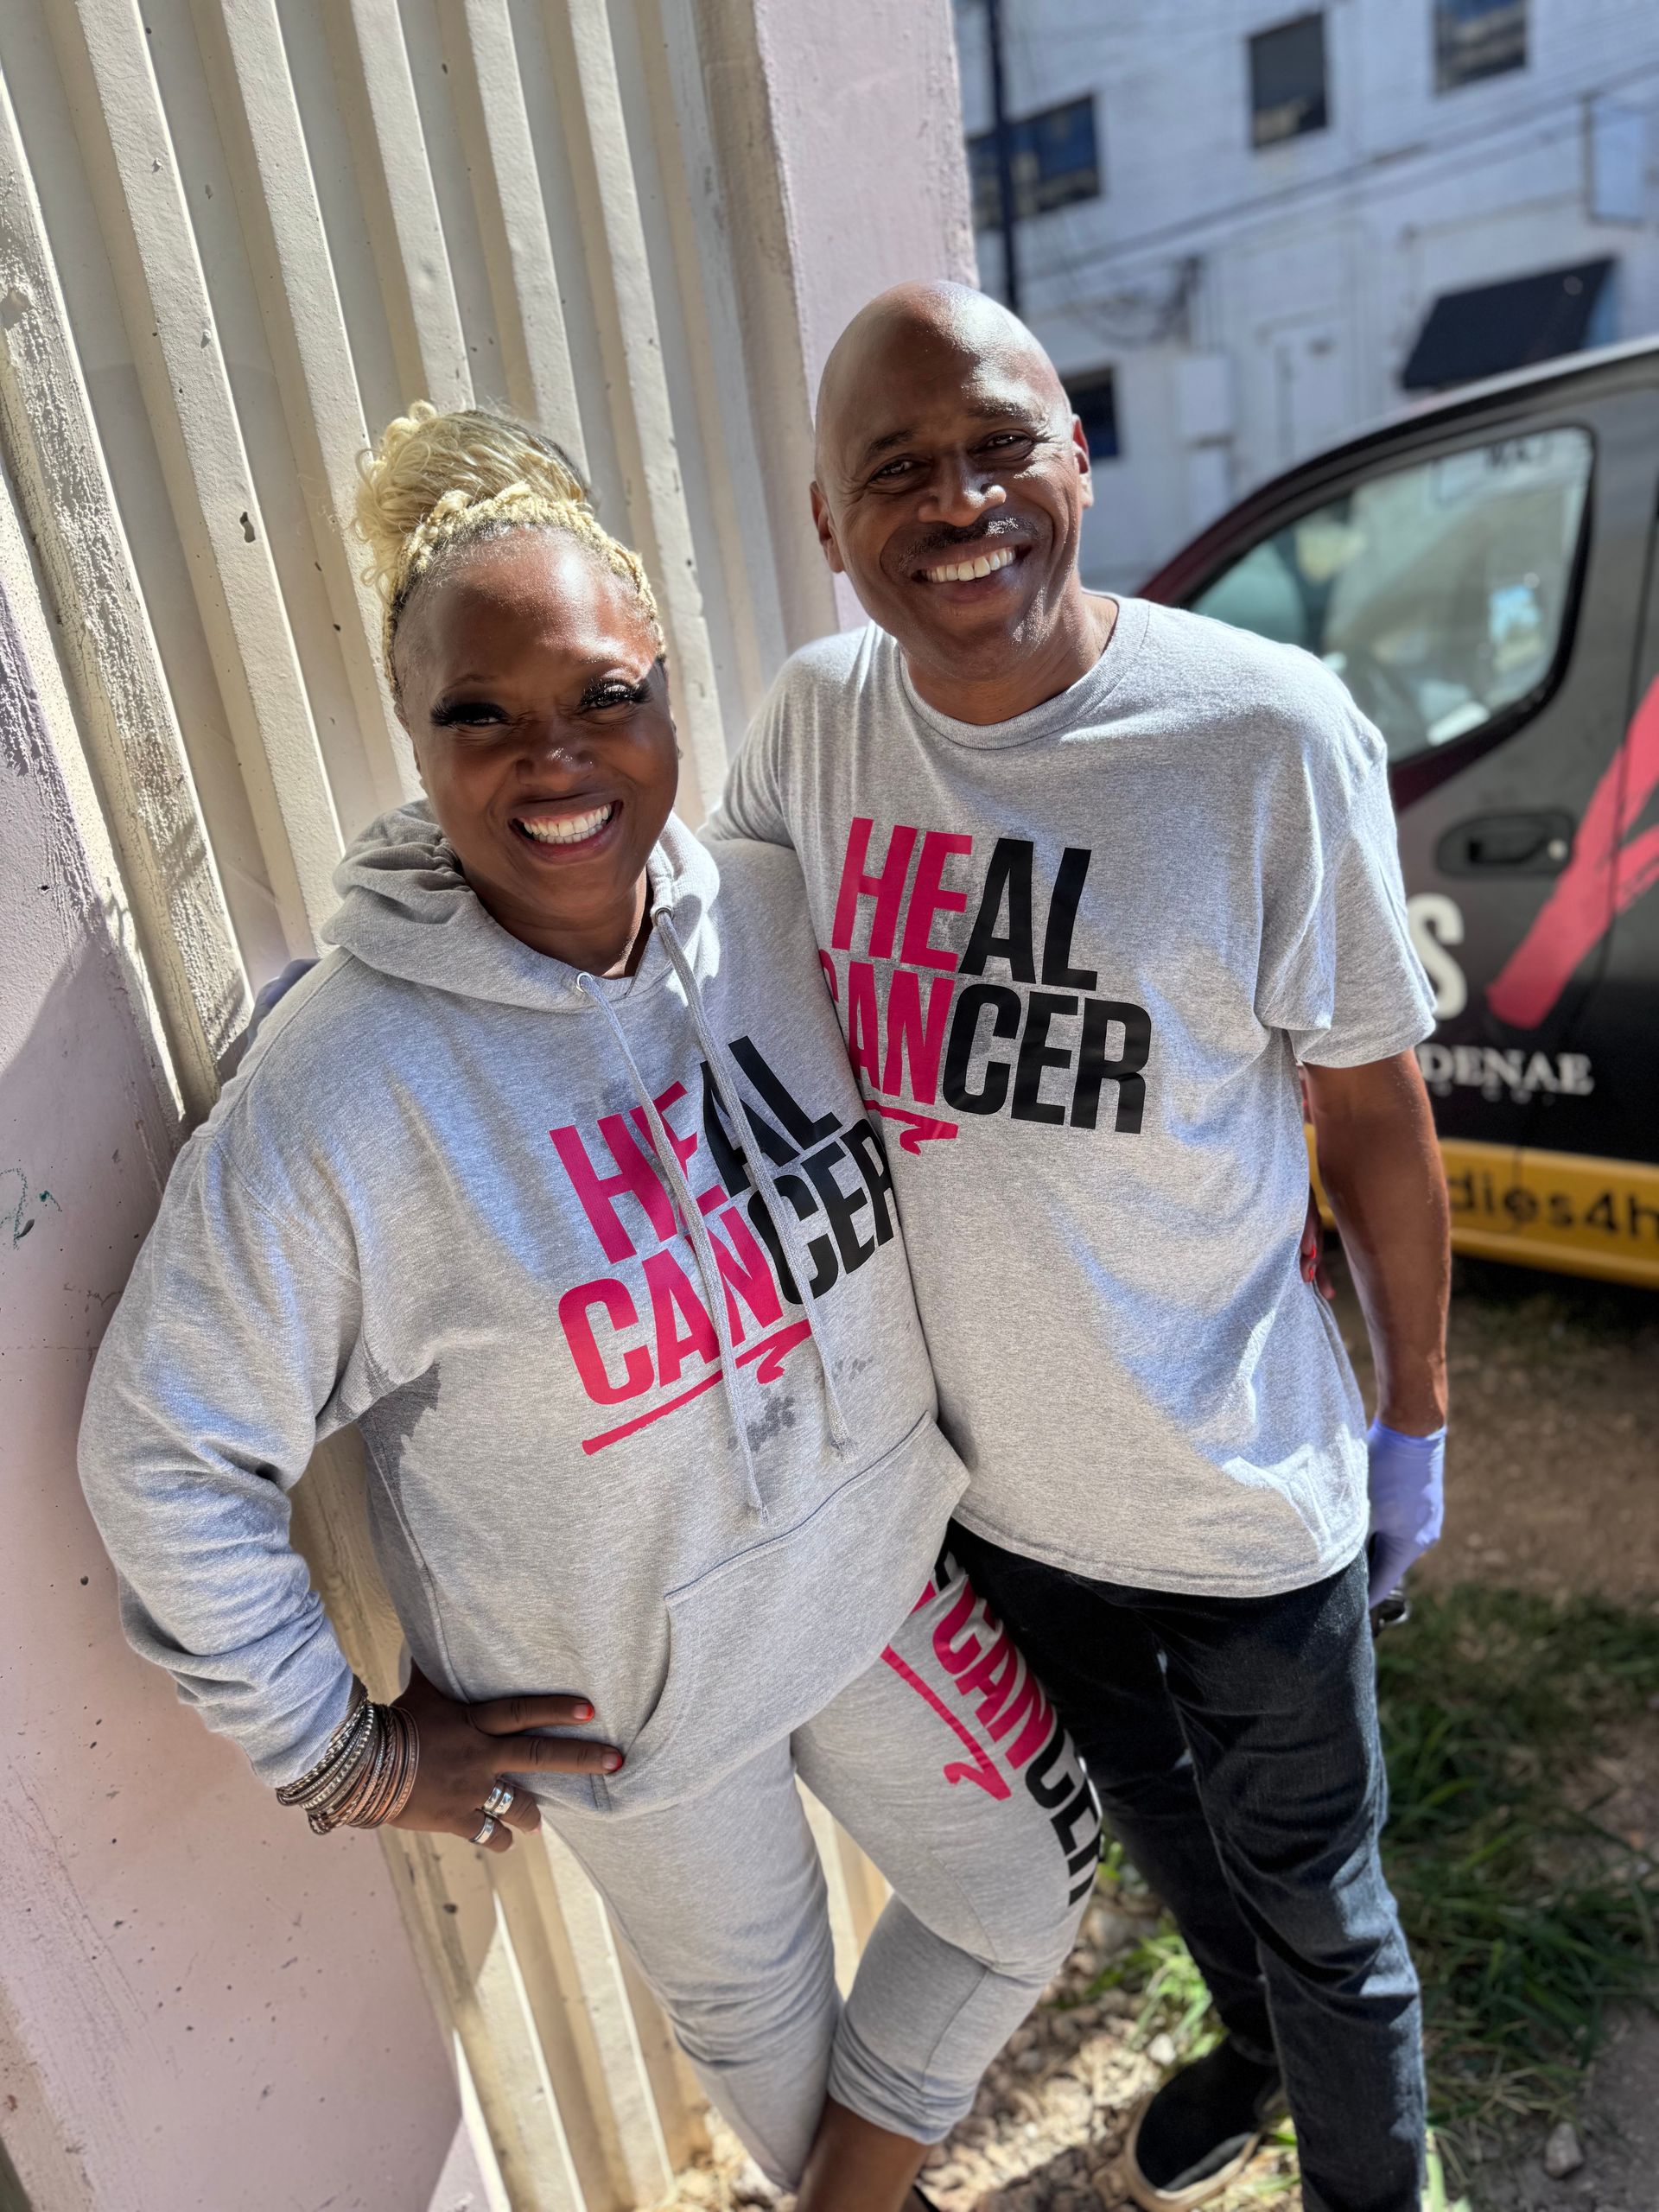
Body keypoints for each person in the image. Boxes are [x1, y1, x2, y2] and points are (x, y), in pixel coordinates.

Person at [77, 403, 1103, 2212]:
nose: (553, 758)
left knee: (1033, 1885)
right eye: (481, 713)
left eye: (602, 694)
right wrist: (349, 1752)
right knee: (790, 2089)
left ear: (668, 690)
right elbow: (163, 1447)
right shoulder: (347, 1088)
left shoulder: (781, 921)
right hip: (631, 1716)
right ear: (416, 736)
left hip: (878, 1584)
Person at [709, 283, 1450, 2212]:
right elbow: (716, 1015)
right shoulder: (811, 728)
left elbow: (1372, 1119)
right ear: (826, 520)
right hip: (998, 1505)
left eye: (999, 446)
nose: (959, 503)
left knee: (1328, 1905)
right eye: (898, 471)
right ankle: (1249, 2047)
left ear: (1077, 459)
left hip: (1237, 1504)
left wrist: (1416, 1424)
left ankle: (1379, 2177)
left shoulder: (1262, 738)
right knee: (1180, 1859)